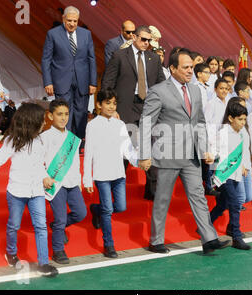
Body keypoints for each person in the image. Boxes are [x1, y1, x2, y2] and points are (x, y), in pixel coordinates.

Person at [138, 48, 230, 255]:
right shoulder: (158, 91)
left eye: (192, 67)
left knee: (198, 196)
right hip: (168, 153)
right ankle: (156, 240)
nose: (190, 71)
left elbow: (200, 121)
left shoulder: (197, 91)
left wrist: (205, 148)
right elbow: (146, 124)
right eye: (186, 67)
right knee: (162, 198)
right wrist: (144, 154)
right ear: (172, 68)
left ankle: (209, 239)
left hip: (192, 155)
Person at [0, 103, 58, 277]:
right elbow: (1, 155)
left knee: (40, 226)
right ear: (31, 121)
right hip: (17, 190)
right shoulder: (13, 140)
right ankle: (11, 253)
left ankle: (44, 263)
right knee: (14, 225)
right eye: (41, 120)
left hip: (37, 191)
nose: (44, 124)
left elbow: (39, 165)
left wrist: (45, 177)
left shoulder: (40, 141)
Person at [101, 25, 165, 201]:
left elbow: (162, 85)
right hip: (125, 109)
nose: (146, 43)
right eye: (143, 39)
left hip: (148, 110)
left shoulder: (154, 58)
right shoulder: (119, 56)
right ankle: (113, 195)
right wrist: (110, 110)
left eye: (148, 40)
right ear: (135, 37)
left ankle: (152, 192)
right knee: (123, 152)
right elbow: (108, 83)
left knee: (152, 149)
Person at [84, 88, 139, 258]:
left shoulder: (120, 124)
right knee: (108, 210)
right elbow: (88, 153)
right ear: (99, 105)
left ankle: (96, 209)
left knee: (120, 207)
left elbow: (127, 149)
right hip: (101, 175)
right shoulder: (92, 125)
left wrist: (139, 162)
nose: (111, 106)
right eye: (107, 103)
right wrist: (87, 179)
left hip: (118, 173)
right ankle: (109, 244)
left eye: (114, 103)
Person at [40, 99, 87, 265]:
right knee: (60, 219)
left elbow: (76, 162)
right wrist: (44, 176)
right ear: (50, 116)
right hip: (56, 183)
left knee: (81, 213)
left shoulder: (73, 139)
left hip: (72, 182)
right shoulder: (43, 137)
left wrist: (80, 181)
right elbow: (38, 161)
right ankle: (58, 250)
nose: (63, 118)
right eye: (59, 114)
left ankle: (57, 226)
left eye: (66, 114)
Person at [41, 6, 97, 143]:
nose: (72, 24)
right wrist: (48, 82)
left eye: (75, 21)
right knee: (64, 113)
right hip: (61, 81)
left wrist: (93, 82)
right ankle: (65, 142)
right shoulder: (52, 34)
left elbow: (91, 59)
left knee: (81, 113)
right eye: (69, 20)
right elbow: (46, 59)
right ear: (63, 19)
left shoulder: (86, 34)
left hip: (82, 81)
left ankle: (78, 141)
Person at [209, 100, 251, 250]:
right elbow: (214, 150)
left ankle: (204, 226)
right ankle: (237, 237)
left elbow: (243, 151)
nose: (242, 122)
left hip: (235, 174)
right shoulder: (223, 133)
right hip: (223, 175)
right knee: (234, 203)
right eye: (240, 119)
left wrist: (244, 166)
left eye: (244, 119)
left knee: (222, 205)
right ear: (231, 118)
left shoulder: (241, 134)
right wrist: (212, 157)